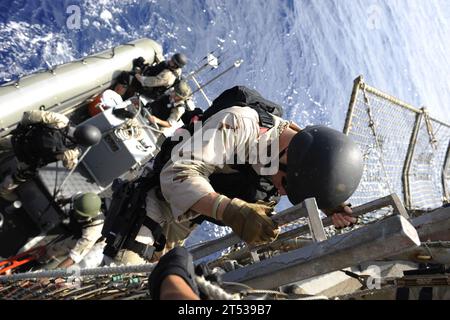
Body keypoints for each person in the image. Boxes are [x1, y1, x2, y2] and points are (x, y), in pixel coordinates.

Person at [102, 86, 364, 265]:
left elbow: (313, 166)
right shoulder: (240, 123)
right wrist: (231, 211)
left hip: (192, 214)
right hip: (159, 193)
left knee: (159, 268)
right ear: (286, 159)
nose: (282, 193)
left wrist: (327, 202)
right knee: (124, 267)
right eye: (287, 185)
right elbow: (177, 173)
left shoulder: (292, 151)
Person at [0, 110, 102, 201]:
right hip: (27, 160)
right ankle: (4, 191)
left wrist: (21, 129)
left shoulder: (60, 121)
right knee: (19, 177)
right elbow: (69, 166)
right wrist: (74, 156)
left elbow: (28, 115)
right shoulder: (71, 152)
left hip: (20, 140)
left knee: (4, 142)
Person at [43, 193, 105, 269]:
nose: (76, 215)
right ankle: (44, 257)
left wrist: (53, 273)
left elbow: (75, 256)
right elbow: (73, 197)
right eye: (76, 211)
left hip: (92, 241)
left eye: (81, 215)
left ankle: (47, 262)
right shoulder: (80, 200)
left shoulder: (93, 230)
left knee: (67, 248)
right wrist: (63, 201)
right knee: (54, 248)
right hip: (79, 229)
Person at [118, 53, 188, 100]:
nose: (170, 60)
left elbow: (146, 82)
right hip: (152, 80)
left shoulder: (167, 76)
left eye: (172, 61)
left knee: (125, 76)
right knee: (139, 63)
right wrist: (143, 65)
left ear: (176, 66)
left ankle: (119, 98)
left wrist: (135, 74)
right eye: (172, 59)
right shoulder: (173, 68)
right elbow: (156, 69)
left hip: (150, 90)